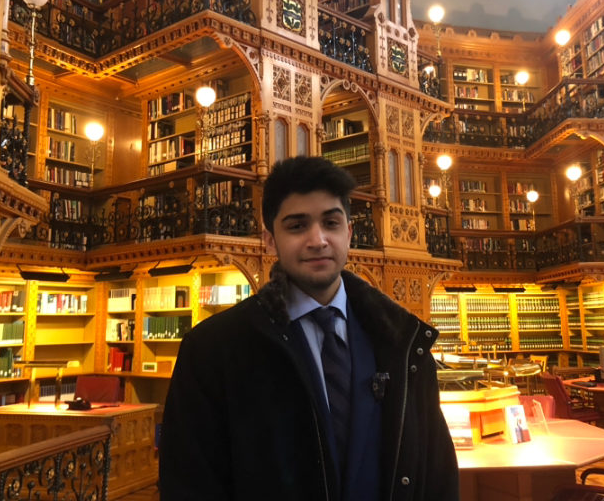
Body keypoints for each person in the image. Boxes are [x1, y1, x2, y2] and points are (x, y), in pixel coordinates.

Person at [159, 156, 459, 501]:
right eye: (297, 226)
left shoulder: (403, 342)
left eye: (330, 222)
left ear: (348, 232)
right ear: (270, 240)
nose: (318, 240)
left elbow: (436, 470)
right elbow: (190, 481)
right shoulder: (213, 349)